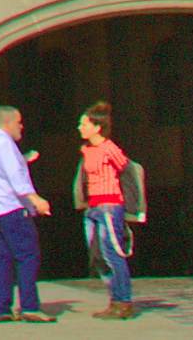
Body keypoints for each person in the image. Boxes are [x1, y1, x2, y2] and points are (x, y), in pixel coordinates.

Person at [0, 102, 54, 322]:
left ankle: (2, 308)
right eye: (18, 122)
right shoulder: (4, 144)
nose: (21, 126)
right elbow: (14, 177)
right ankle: (29, 306)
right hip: (9, 207)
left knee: (2, 257)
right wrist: (35, 199)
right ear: (7, 123)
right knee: (28, 254)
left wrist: (23, 159)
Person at [77, 101, 136, 318]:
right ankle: (114, 298)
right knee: (98, 255)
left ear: (97, 127)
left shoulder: (109, 148)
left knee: (113, 254)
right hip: (92, 206)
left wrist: (133, 206)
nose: (80, 127)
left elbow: (128, 170)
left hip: (109, 205)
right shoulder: (86, 150)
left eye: (84, 124)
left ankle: (123, 301)